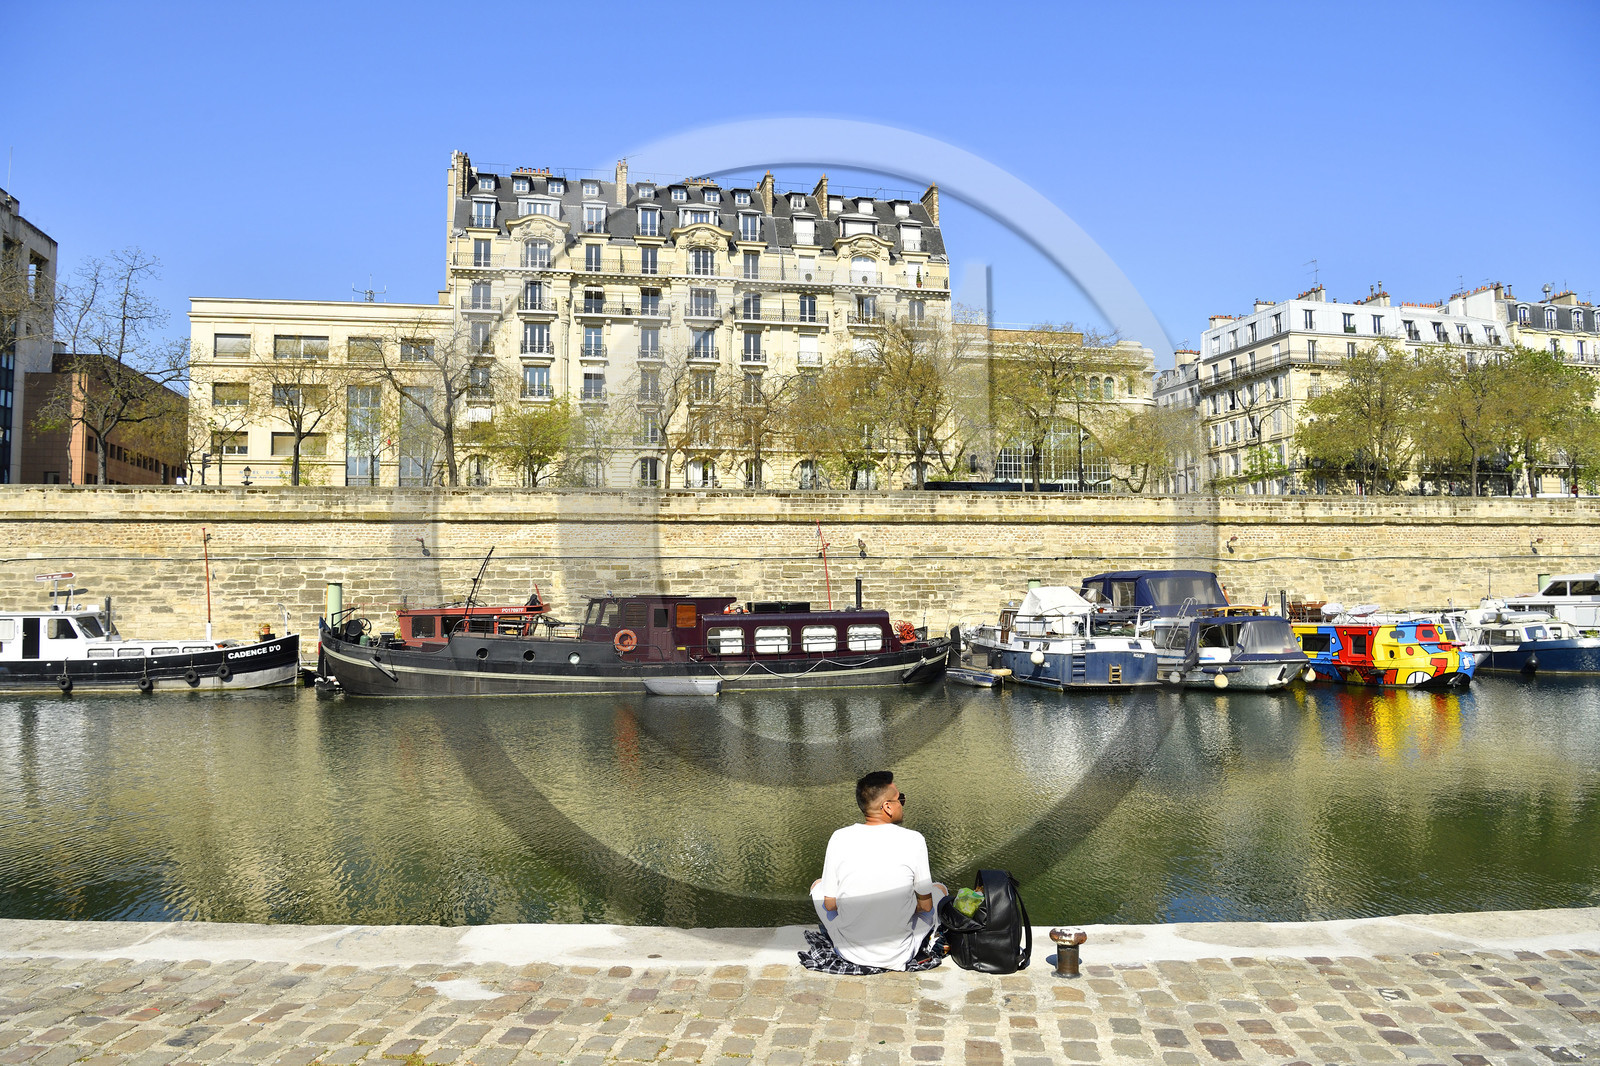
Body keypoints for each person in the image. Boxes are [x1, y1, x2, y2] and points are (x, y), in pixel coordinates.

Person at [810, 770, 945, 970]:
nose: (903, 803)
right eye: (901, 799)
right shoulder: (914, 840)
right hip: (898, 954)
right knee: (939, 889)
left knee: (818, 886)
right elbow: (925, 907)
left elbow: (830, 905)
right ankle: (931, 935)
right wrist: (903, 906)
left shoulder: (839, 838)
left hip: (850, 952)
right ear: (887, 807)